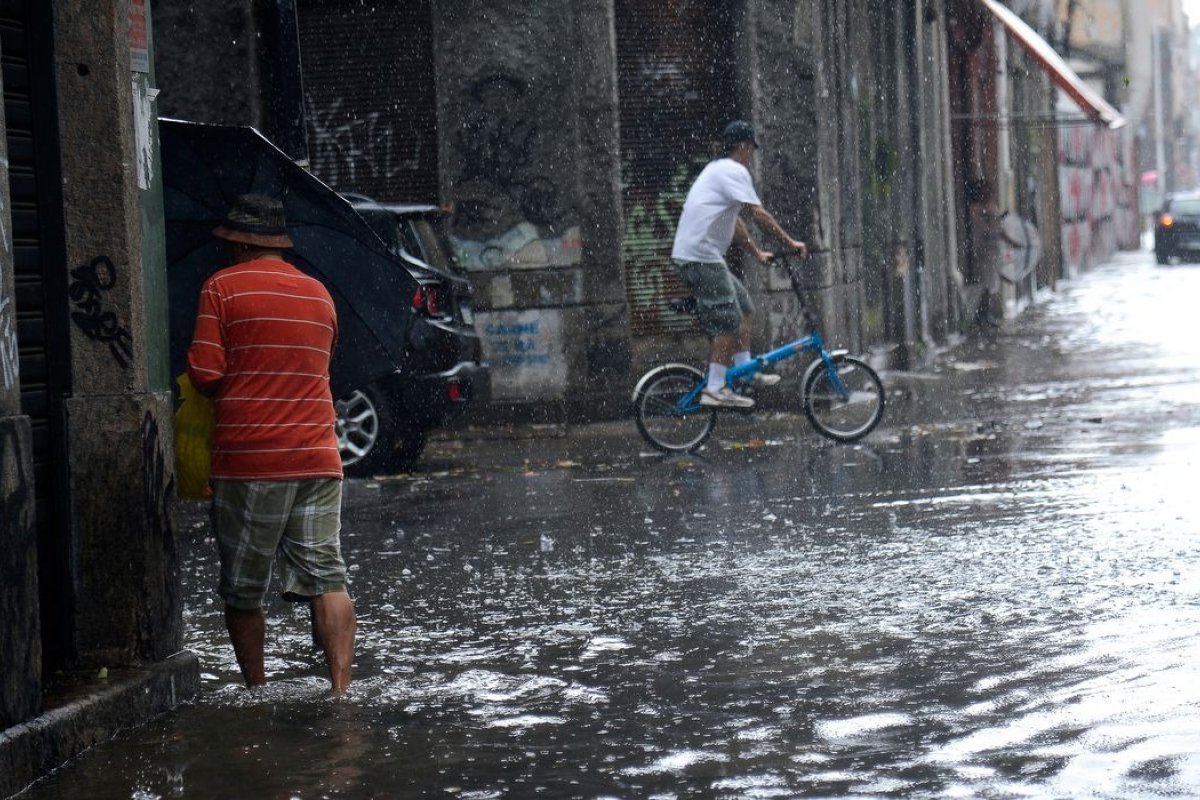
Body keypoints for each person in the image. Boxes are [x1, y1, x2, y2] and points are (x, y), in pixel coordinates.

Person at [187, 193, 356, 694]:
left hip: (252, 459)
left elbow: (205, 372)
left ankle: (256, 692)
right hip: (320, 456)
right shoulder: (319, 294)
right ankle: (341, 692)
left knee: (245, 588)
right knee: (328, 575)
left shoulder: (221, 288)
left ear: (239, 242)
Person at [671, 120, 807, 408]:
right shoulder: (733, 170)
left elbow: (736, 222)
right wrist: (790, 242)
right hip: (700, 256)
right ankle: (715, 388)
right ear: (744, 147)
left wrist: (756, 253)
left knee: (744, 306)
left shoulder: (716, 170)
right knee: (728, 320)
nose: (752, 155)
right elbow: (757, 213)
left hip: (700, 256)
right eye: (751, 150)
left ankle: (745, 372)